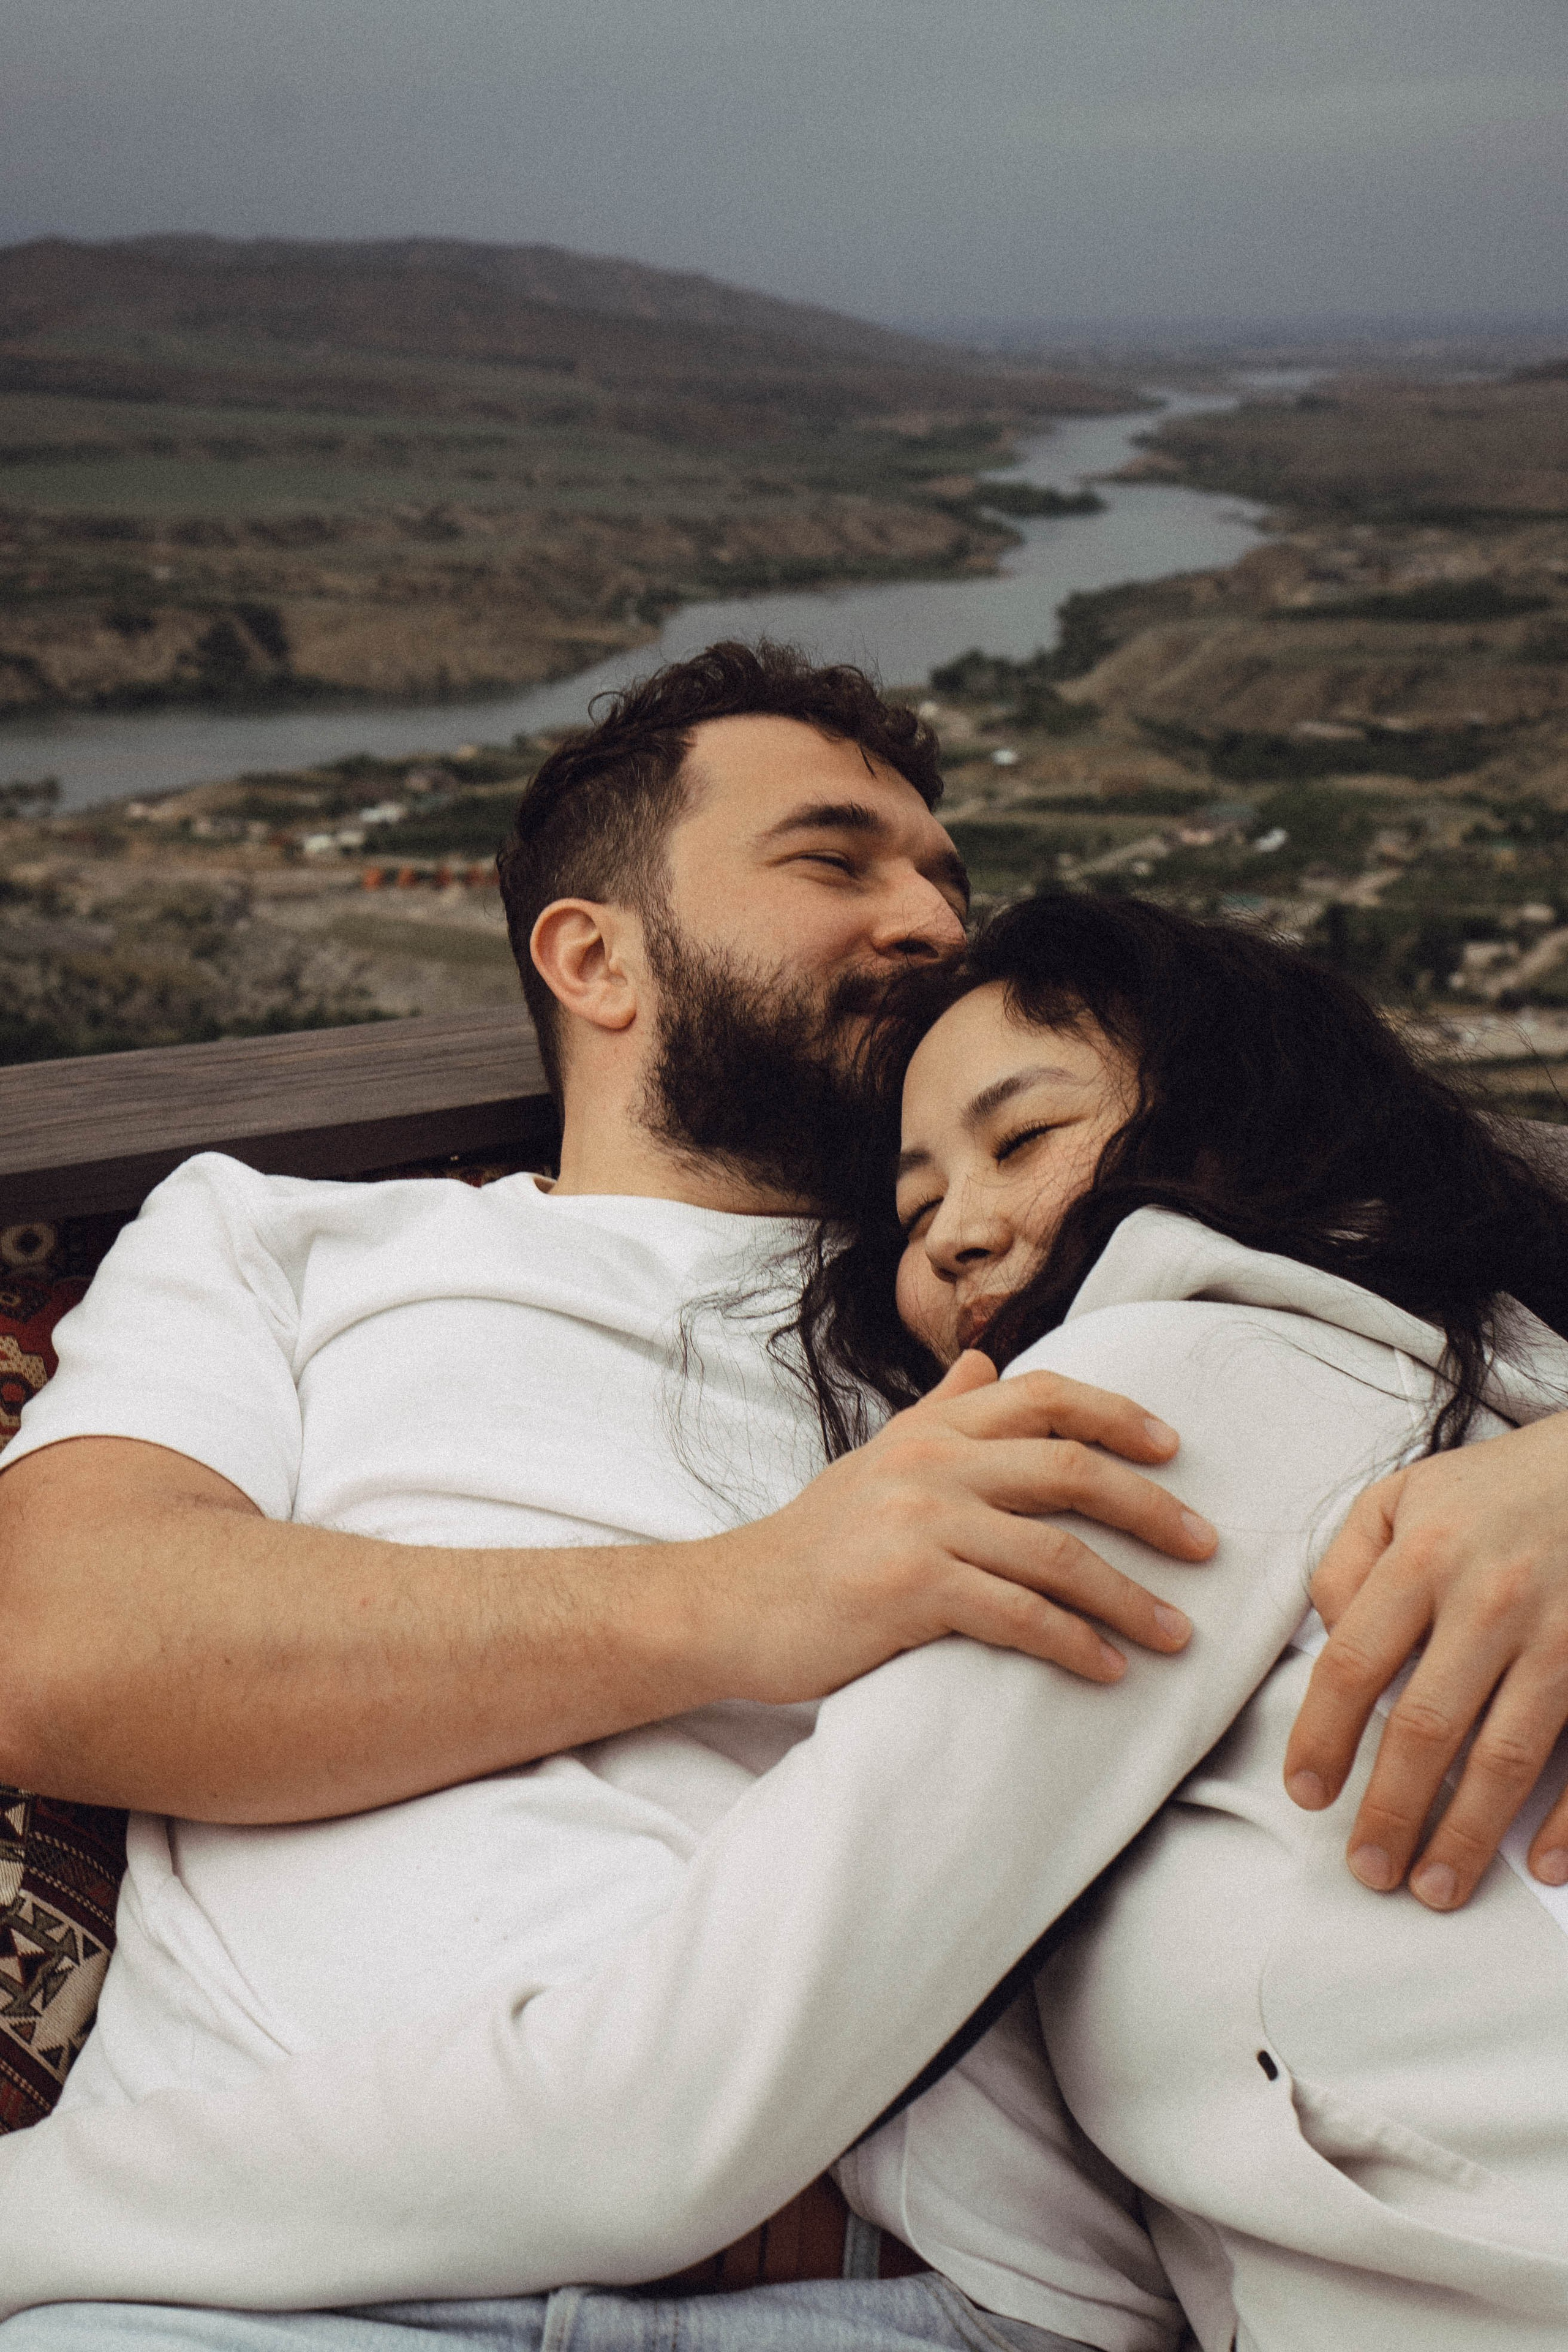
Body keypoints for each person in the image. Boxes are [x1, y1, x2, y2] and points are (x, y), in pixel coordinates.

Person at [2, 646, 1568, 2348]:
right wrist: (743, 1600)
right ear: (593, 956)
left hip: (943, 2293)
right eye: (836, 862)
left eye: (947, 881)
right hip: (255, 2281)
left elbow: (1367, 1317)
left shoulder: (1043, 1300)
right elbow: (61, 1649)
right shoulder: (289, 1241)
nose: (929, 923)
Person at [814, 890, 1568, 2347]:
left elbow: (719, 2065)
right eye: (913, 1211)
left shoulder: (1145, 1396)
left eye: (1022, 1139)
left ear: (1232, 1119)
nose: (957, 1231)